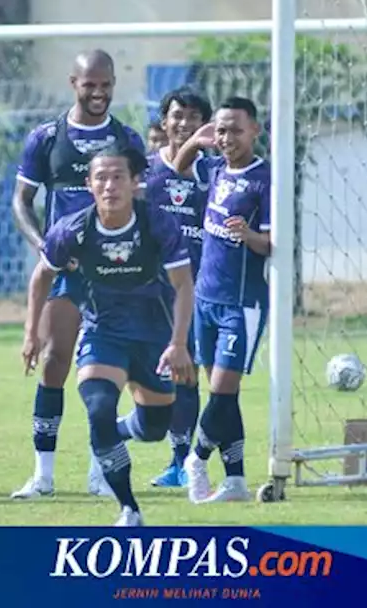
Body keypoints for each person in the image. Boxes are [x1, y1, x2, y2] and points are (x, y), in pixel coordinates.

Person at [21, 144, 196, 526]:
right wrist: (31, 333)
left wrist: (178, 343)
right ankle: (129, 508)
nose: (109, 185)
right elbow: (42, 277)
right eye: (100, 177)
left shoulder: (157, 225)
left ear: (136, 182)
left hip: (153, 336)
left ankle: (119, 432)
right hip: (103, 334)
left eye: (118, 176)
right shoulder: (71, 229)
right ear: (88, 184)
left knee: (154, 429)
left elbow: (184, 285)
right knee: (98, 409)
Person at [10, 49, 145, 500]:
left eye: (106, 85)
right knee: (54, 362)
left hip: (116, 270)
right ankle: (42, 475)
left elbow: (140, 206)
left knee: (105, 373)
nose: (99, 93)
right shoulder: (47, 138)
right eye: (91, 85)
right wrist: (45, 246)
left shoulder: (127, 140)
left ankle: (100, 472)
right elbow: (21, 202)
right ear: (74, 83)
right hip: (65, 271)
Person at [170, 96, 272, 504]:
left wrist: (249, 237)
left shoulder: (265, 180)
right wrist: (197, 140)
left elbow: (273, 244)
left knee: (222, 391)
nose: (227, 138)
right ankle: (235, 481)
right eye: (222, 130)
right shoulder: (215, 168)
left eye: (235, 130)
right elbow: (178, 167)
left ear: (255, 131)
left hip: (241, 302)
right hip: (205, 298)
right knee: (223, 395)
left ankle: (196, 459)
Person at [141, 87, 214, 488]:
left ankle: (181, 461)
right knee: (145, 377)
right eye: (177, 116)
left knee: (187, 376)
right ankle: (114, 441)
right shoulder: (146, 171)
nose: (184, 124)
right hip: (148, 292)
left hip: (197, 290)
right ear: (163, 122)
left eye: (193, 117)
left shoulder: (213, 172)